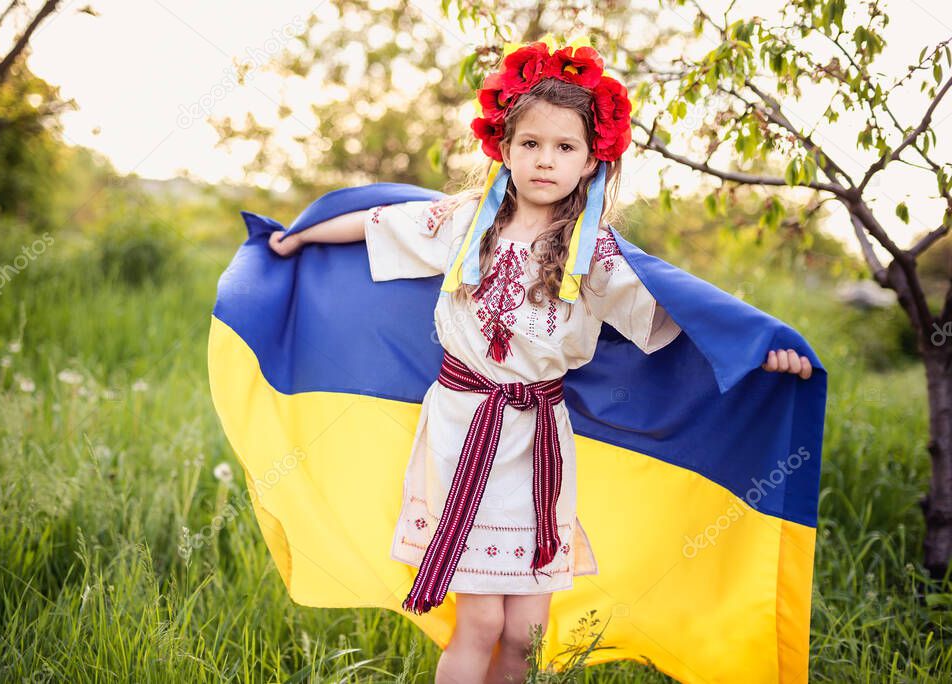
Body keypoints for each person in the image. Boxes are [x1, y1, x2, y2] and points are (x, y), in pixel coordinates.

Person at [262, 36, 813, 684]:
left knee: (525, 635)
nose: (545, 159)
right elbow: (380, 222)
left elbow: (677, 320)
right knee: (481, 624)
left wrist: (760, 354)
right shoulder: (467, 223)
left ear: (589, 159)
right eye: (531, 143)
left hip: (537, 441)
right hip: (461, 433)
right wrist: (297, 236)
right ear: (504, 146)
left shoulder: (595, 252)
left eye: (563, 147)